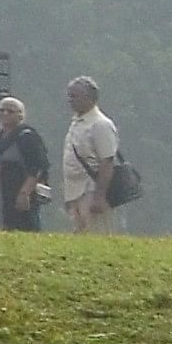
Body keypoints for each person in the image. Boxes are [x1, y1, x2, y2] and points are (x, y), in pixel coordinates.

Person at [62, 76, 126, 234]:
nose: (70, 100)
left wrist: (99, 197)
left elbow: (107, 162)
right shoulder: (77, 123)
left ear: (90, 98)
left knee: (96, 234)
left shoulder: (100, 124)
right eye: (69, 96)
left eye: (74, 96)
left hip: (91, 190)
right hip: (75, 192)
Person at [0, 93, 53, 233]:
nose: (4, 114)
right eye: (1, 110)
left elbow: (37, 167)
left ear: (21, 115)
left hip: (19, 190)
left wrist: (25, 193)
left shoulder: (27, 137)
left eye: (10, 111)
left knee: (24, 226)